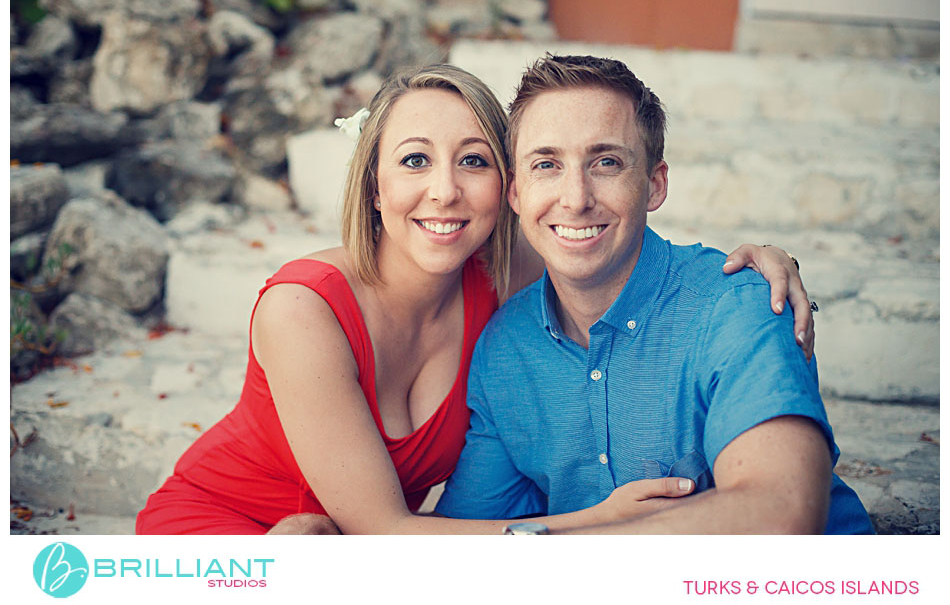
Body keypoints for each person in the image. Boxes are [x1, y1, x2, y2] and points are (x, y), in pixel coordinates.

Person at [136, 63, 815, 535]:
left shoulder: (505, 275)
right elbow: (387, 531)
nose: (444, 192)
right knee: (306, 539)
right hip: (241, 531)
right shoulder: (305, 310)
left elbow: (603, 235)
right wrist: (592, 525)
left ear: (504, 190)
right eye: (413, 161)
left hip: (363, 547)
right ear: (373, 186)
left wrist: (758, 263)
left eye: (473, 160)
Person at [434, 54, 872, 534]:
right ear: (516, 195)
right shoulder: (507, 348)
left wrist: (556, 545)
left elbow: (780, 514)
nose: (576, 198)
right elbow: (464, 540)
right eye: (547, 164)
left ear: (654, 185)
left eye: (606, 162)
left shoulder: (740, 304)